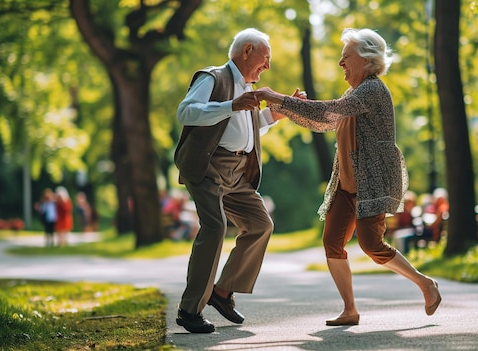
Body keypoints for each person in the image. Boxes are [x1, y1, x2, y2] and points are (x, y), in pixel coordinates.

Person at [256, 28, 441, 325]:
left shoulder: (372, 89)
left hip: (371, 182)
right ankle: (350, 310)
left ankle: (425, 284)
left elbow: (329, 110)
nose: (341, 64)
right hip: (345, 184)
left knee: (371, 244)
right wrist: (282, 106)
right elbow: (325, 121)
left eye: (346, 57)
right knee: (332, 242)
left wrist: (276, 97)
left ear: (366, 59)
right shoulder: (353, 93)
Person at [173, 28, 284, 333]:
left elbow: (244, 128)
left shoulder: (247, 87)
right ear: (247, 50)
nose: (268, 66)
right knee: (215, 226)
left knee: (261, 224)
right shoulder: (213, 78)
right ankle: (189, 309)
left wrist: (272, 118)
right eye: (266, 58)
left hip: (238, 172)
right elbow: (186, 113)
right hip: (208, 167)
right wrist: (231, 105)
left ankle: (222, 292)